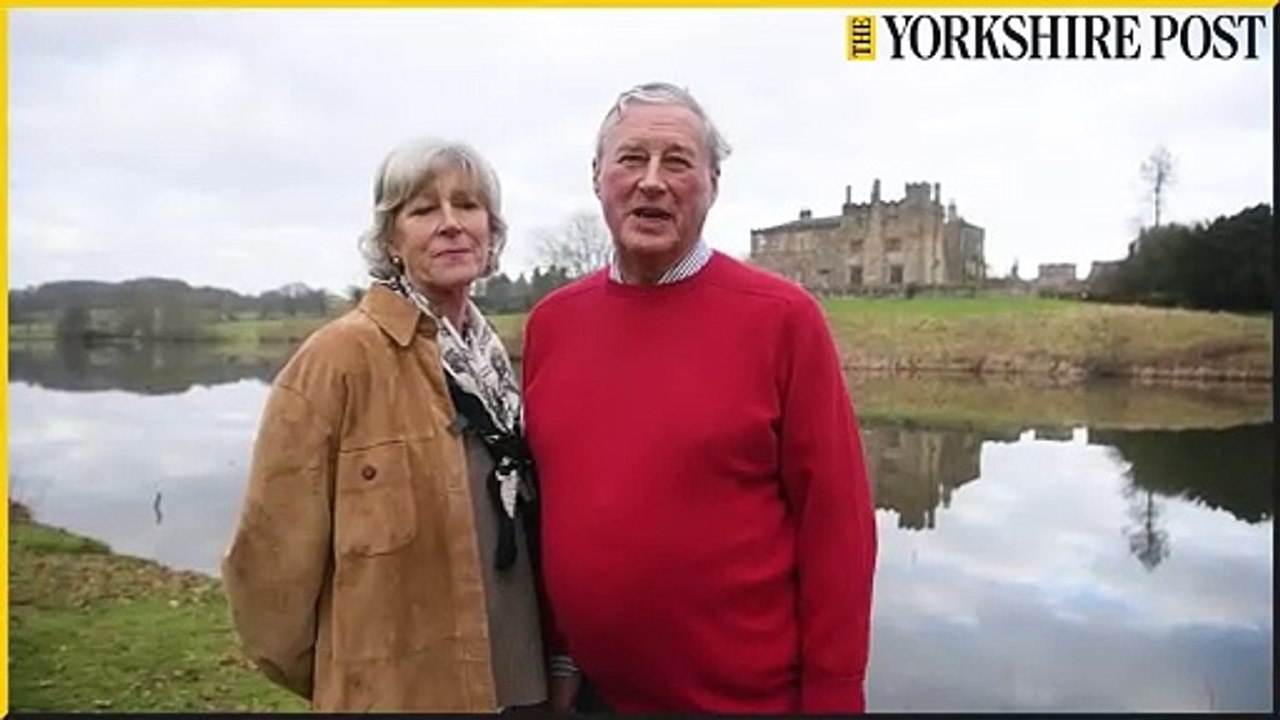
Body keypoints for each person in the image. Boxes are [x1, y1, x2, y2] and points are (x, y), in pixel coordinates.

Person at [522, 82, 878, 714]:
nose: (652, 181)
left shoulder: (782, 320)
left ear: (712, 184)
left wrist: (834, 695)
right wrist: (558, 654)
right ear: (598, 177)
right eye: (631, 159)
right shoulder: (552, 325)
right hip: (593, 696)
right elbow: (554, 508)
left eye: (678, 161)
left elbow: (837, 528)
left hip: (746, 703)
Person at [221, 138, 548, 712]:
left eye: (467, 205)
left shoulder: (495, 361)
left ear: (490, 229)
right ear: (390, 239)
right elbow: (266, 574)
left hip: (520, 687)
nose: (451, 224)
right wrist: (354, 681)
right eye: (423, 210)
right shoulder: (337, 361)